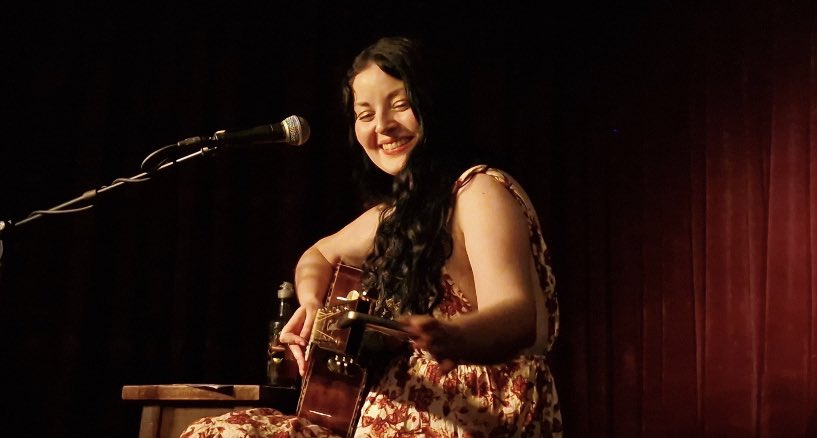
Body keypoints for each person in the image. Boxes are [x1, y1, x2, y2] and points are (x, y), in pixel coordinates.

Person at [180, 35, 562, 437]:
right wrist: (311, 305)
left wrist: (455, 335)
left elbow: (519, 317)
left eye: (400, 104)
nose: (383, 126)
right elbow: (319, 255)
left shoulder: (479, 191)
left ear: (435, 105)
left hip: (474, 416)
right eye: (365, 114)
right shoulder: (396, 215)